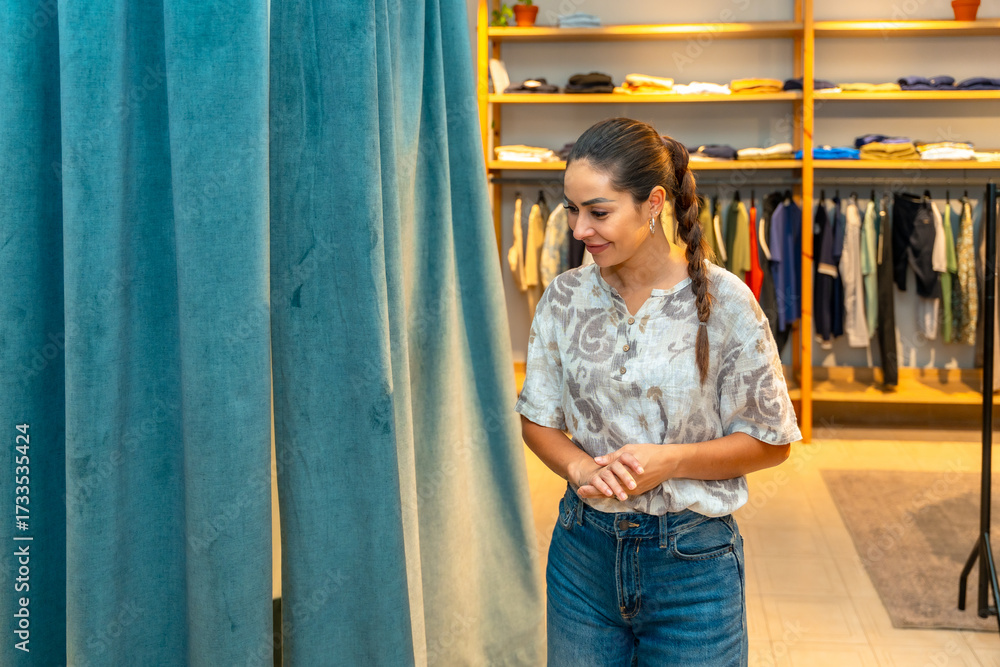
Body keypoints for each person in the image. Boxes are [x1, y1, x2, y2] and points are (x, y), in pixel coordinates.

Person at [514, 117, 801, 666]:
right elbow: (537, 417)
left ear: (653, 203)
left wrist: (670, 462)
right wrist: (579, 467)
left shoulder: (725, 302)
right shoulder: (565, 297)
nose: (579, 229)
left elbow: (772, 442)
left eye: (598, 212)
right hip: (581, 558)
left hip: (693, 569)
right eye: (572, 209)